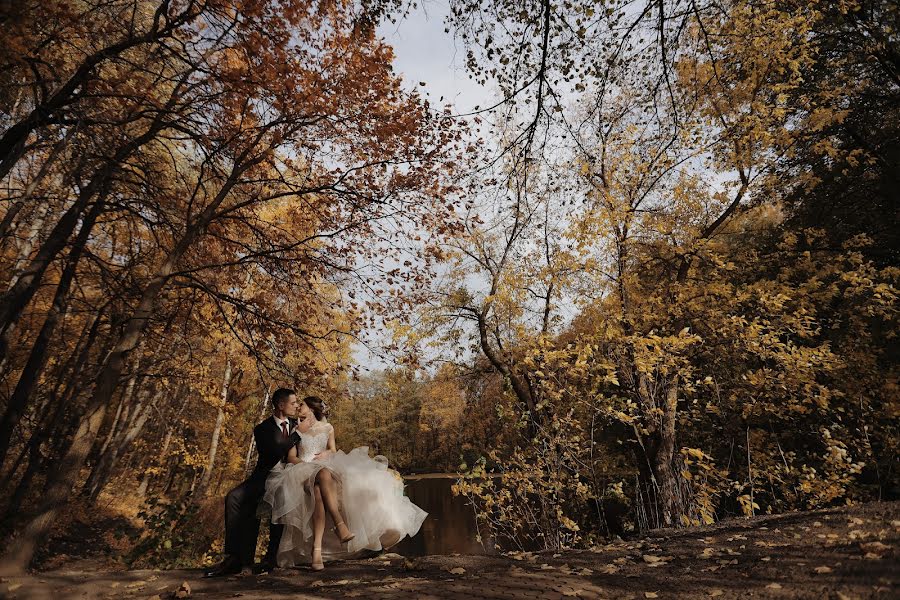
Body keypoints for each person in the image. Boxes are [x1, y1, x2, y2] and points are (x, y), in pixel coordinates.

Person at [259, 395, 427, 570]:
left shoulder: (327, 428)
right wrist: (308, 465)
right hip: (302, 470)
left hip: (323, 471)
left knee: (319, 490)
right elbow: (292, 457)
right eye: (297, 404)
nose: (298, 407)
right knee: (321, 474)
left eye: (302, 405)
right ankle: (341, 526)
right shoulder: (296, 429)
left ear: (311, 408)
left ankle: (316, 552)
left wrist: (327, 454)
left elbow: (332, 449)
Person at [203, 388, 303, 577]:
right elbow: (273, 452)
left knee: (281, 498)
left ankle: (271, 557)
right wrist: (295, 435)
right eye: (293, 403)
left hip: (292, 476)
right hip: (265, 477)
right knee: (234, 497)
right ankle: (235, 557)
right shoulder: (262, 429)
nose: (296, 406)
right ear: (281, 405)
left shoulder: (298, 424)